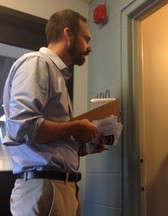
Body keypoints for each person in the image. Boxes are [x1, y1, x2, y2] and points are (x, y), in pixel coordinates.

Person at [3, 9, 106, 216]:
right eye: (86, 38)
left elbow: (52, 139)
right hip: (44, 188)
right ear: (68, 34)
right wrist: (75, 126)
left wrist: (86, 143)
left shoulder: (57, 75)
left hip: (57, 187)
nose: (89, 46)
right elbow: (23, 128)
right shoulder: (37, 63)